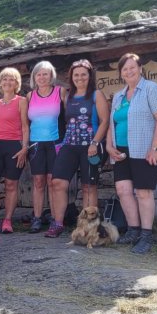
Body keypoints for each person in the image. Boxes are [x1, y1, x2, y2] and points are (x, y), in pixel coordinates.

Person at [106, 52, 157, 254]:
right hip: (121, 151)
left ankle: (146, 235)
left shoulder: (152, 89)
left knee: (143, 192)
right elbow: (111, 124)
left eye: (132, 67)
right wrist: (109, 146)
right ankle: (133, 231)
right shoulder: (118, 96)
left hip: (144, 149)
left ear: (140, 69)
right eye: (125, 69)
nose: (129, 71)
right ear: (121, 73)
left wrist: (155, 148)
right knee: (124, 191)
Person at [48, 59, 109, 238]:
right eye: (76, 75)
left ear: (90, 76)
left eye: (84, 74)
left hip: (91, 146)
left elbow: (105, 121)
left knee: (89, 186)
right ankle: (57, 223)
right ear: (71, 77)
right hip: (70, 145)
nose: (80, 77)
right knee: (58, 182)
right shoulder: (69, 97)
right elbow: (68, 122)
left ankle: (89, 228)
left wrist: (95, 143)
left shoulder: (97, 95)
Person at [0, 68, 30, 234]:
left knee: (11, 184)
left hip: (14, 145)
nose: (8, 82)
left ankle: (8, 220)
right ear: (0, 83)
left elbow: (25, 126)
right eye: (5, 79)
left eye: (12, 80)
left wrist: (25, 148)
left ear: (16, 83)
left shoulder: (21, 101)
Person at [26, 61, 67, 233]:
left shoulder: (60, 92)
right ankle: (36, 218)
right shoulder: (30, 96)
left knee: (53, 182)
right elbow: (25, 123)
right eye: (38, 74)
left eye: (45, 74)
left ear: (52, 76)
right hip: (35, 143)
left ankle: (54, 217)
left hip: (55, 142)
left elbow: (68, 115)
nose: (42, 77)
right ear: (34, 77)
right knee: (38, 181)